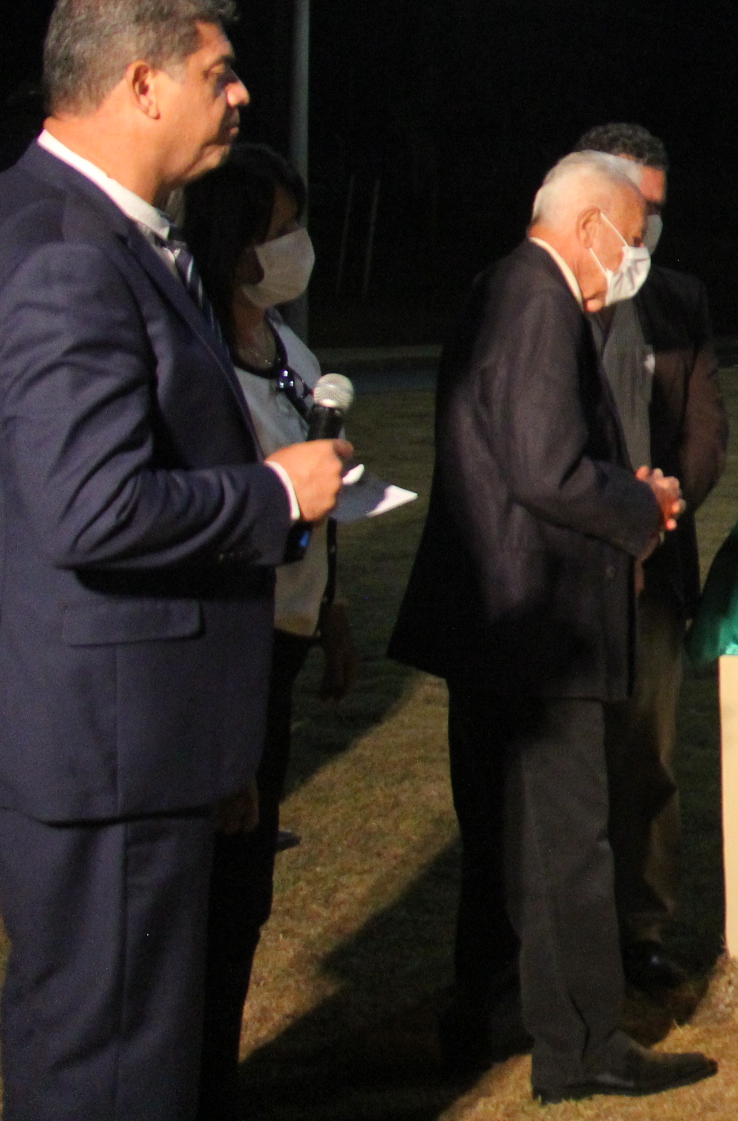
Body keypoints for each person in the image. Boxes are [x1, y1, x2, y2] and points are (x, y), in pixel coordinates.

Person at [0, 0, 350, 1121]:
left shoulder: (105, 232)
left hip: (131, 740)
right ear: (143, 83)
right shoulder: (66, 249)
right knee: (109, 1071)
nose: (240, 94)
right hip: (108, 752)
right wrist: (273, 494)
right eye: (220, 70)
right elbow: (89, 505)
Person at [388, 151, 717, 1104]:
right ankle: (581, 1046)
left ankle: (490, 1016)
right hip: (543, 625)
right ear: (586, 229)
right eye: (630, 234)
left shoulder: (503, 286)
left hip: (497, 619)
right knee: (569, 842)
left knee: (504, 841)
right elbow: (545, 469)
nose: (636, 255)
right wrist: (641, 506)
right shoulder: (539, 298)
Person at [180, 141, 369, 1120]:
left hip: (283, 641)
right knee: (210, 898)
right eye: (278, 228)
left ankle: (217, 1074)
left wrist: (329, 608)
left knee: (245, 898)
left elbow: (315, 486)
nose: (296, 245)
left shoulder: (287, 350)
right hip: (224, 657)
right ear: (234, 242)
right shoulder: (198, 355)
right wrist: (226, 744)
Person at [576, 121, 728, 996]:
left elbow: (706, 428)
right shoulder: (537, 295)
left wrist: (660, 511)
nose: (651, 227)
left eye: (660, 212)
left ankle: (641, 929)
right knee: (565, 760)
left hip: (655, 571)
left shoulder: (678, 300)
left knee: (648, 760)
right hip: (569, 568)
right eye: (639, 208)